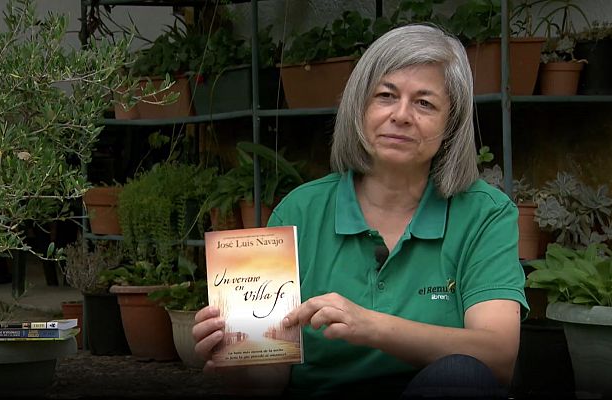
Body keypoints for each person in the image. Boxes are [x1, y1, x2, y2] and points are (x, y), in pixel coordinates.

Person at [193, 23, 528, 399]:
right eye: (385, 95)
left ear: (450, 125)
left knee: (463, 375)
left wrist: (370, 326)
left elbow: (498, 356)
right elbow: (270, 377)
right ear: (360, 107)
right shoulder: (299, 212)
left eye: (424, 103)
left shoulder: (485, 214)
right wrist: (239, 362)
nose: (401, 115)